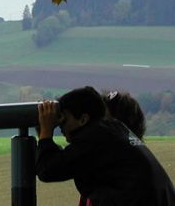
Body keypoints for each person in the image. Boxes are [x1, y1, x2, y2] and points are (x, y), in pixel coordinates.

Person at [36, 86, 175, 206]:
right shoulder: (114, 130)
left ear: (84, 119)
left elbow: (47, 170)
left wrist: (46, 131)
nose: (60, 126)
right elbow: (65, 160)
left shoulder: (95, 137)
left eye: (63, 119)